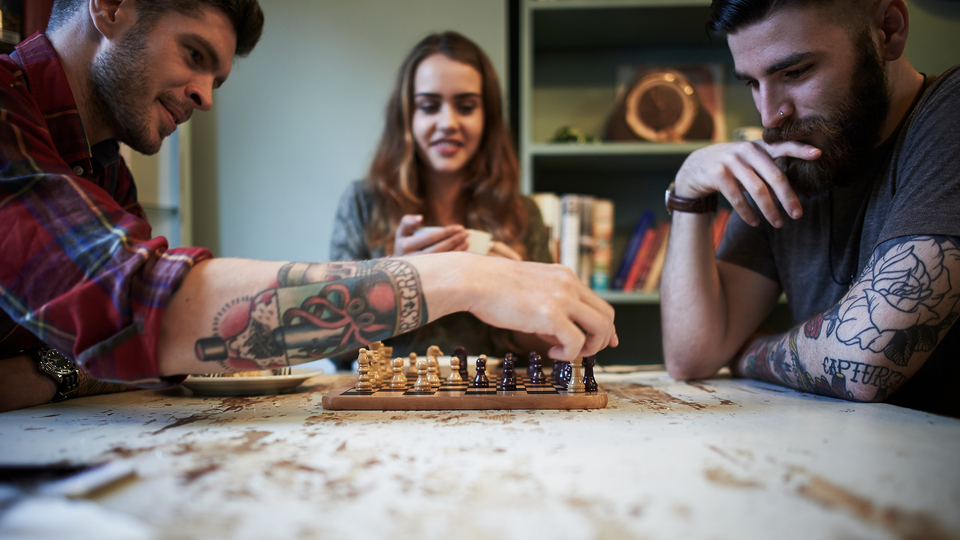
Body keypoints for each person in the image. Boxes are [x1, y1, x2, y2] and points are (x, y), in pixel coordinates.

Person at [0, 1, 618, 412]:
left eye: (218, 77)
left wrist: (53, 367)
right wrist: (460, 276)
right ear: (109, 5)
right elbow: (140, 306)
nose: (206, 98)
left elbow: (117, 346)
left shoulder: (103, 165)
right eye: (195, 56)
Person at [660, 0, 959, 417]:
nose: (770, 115)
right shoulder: (792, 164)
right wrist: (690, 190)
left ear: (889, 30)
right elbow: (691, 357)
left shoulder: (951, 113)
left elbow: (862, 363)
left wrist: (747, 351)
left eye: (795, 72)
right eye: (752, 83)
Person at [330, 31, 552, 359]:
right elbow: (337, 347)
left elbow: (551, 348)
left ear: (487, 117)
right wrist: (392, 282)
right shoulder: (364, 203)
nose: (447, 122)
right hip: (389, 402)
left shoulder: (521, 212)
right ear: (407, 116)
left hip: (492, 401)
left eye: (466, 106)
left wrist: (521, 296)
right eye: (429, 106)